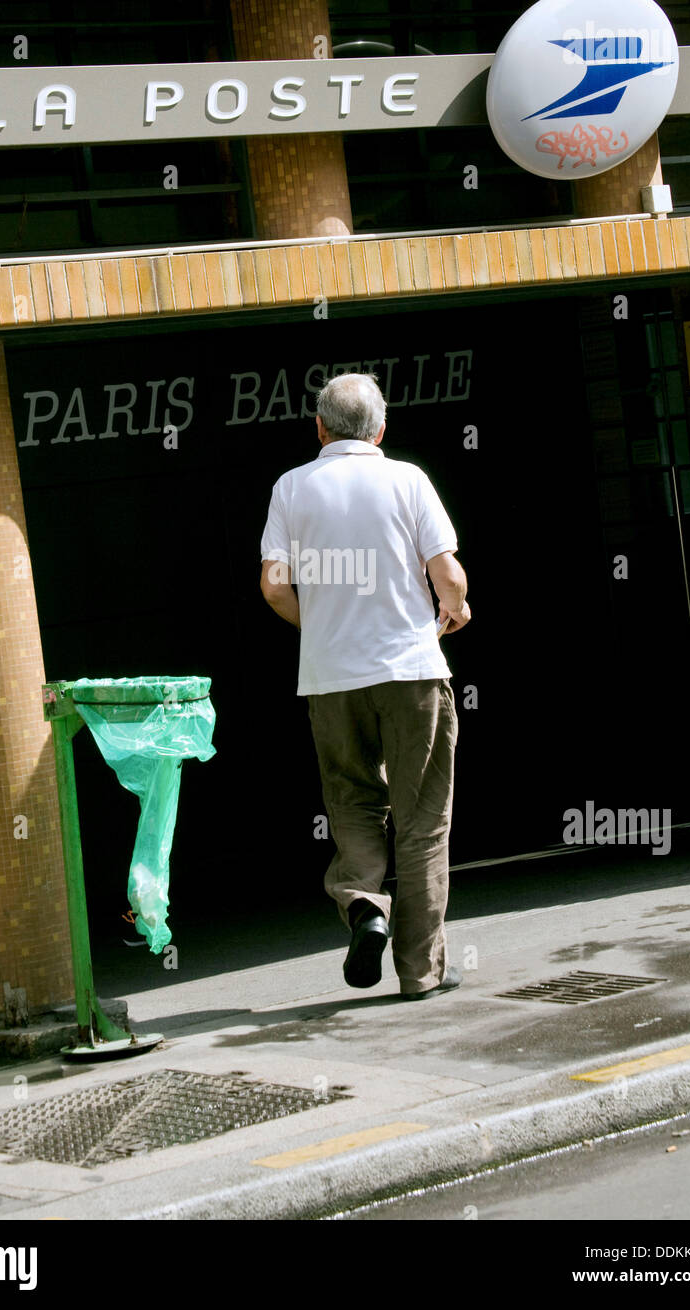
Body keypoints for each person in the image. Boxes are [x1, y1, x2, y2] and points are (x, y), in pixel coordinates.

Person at [259, 373, 471, 1000]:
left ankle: (363, 909)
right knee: (423, 820)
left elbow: (273, 584)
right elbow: (447, 575)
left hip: (331, 681)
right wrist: (453, 609)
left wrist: (318, 626)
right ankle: (420, 972)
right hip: (410, 670)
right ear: (380, 429)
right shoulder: (408, 480)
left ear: (319, 428)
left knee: (352, 803)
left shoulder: (290, 487)